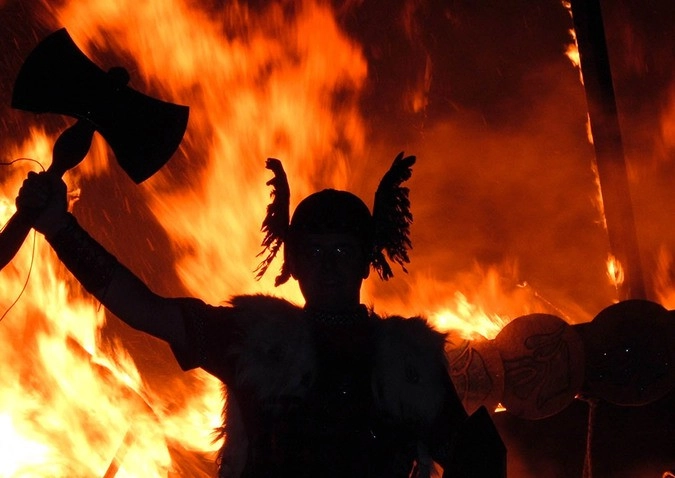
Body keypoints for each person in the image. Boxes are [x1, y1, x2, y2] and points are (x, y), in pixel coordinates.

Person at [16, 151, 506, 477]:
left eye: (342, 251)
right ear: (293, 262)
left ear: (365, 260)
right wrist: (60, 229)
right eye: (314, 252)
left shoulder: (408, 361)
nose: (328, 266)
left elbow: (475, 457)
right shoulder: (257, 339)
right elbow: (146, 310)